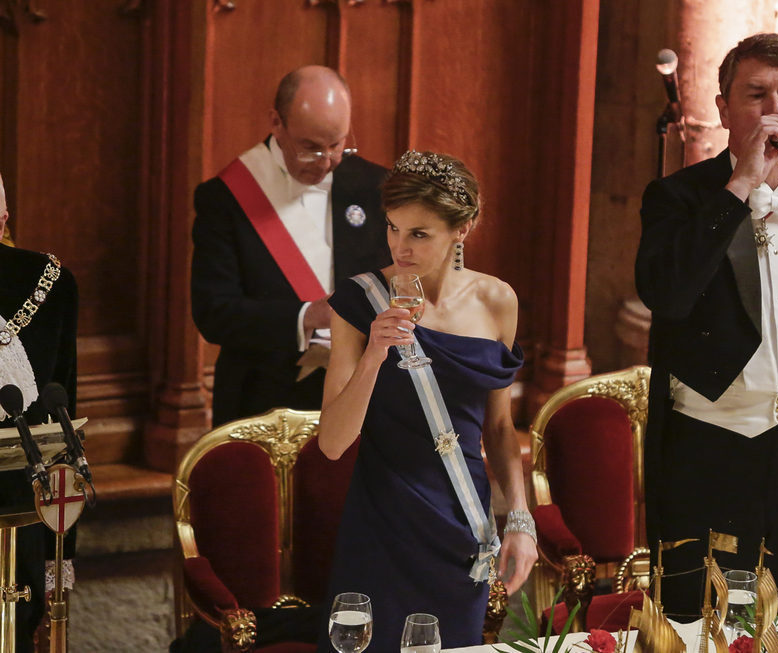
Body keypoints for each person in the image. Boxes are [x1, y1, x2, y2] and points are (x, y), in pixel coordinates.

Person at [635, 33, 778, 616]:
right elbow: (668, 295)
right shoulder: (677, 198)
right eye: (755, 94)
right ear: (723, 108)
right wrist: (738, 190)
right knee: (696, 624)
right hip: (709, 453)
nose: (773, 109)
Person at [316, 151, 537, 650]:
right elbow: (332, 443)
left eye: (419, 234)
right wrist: (375, 352)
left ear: (463, 228)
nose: (400, 247)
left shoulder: (497, 301)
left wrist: (520, 519)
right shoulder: (358, 303)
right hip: (384, 525)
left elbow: (499, 428)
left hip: (463, 527)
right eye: (393, 228)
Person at [192, 65, 391, 427]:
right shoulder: (224, 199)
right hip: (262, 400)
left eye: (338, 144)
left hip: (359, 395)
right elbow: (214, 314)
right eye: (311, 148)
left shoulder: (376, 185)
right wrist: (307, 317)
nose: (328, 162)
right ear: (276, 123)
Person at [0, 172, 79, 653]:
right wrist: (60, 565)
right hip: (29, 509)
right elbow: (65, 420)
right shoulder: (52, 282)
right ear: (5, 219)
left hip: (23, 515)